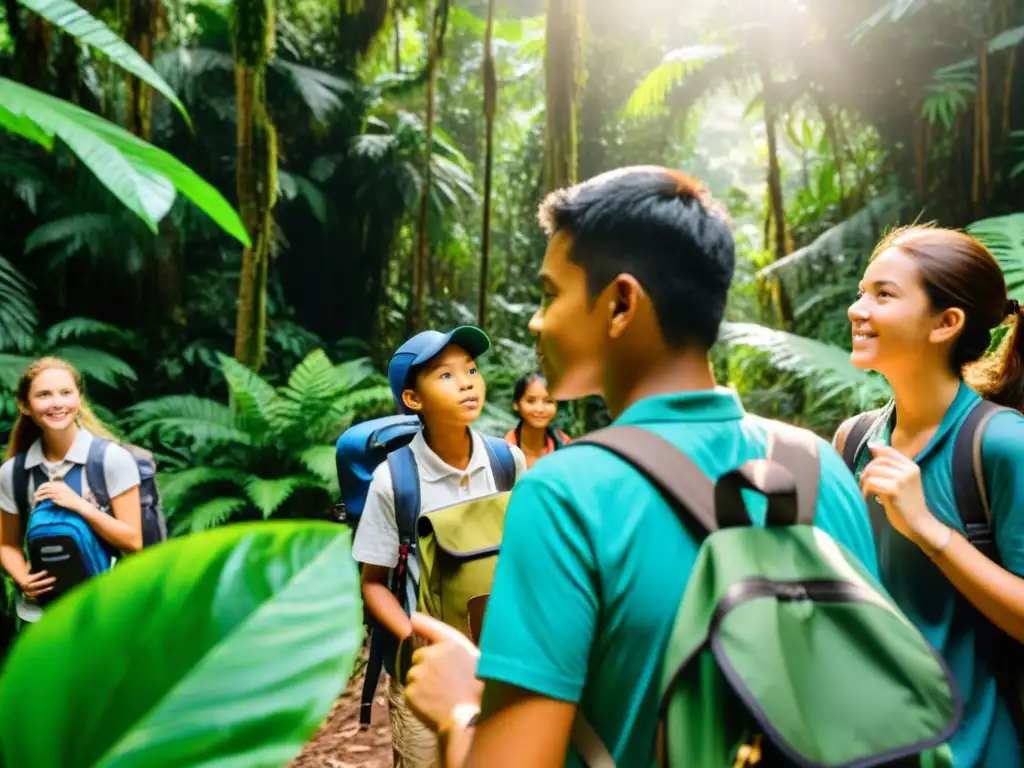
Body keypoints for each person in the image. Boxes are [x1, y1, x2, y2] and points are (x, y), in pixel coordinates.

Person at [402, 166, 880, 767]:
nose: (536, 320)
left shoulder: (565, 494)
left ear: (620, 302)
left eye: (550, 294)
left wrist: (457, 711)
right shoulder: (818, 469)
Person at [832, 226, 1024, 768]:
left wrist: (929, 530)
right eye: (861, 291)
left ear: (946, 323)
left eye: (883, 295)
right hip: (871, 749)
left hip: (977, 752)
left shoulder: (1002, 444)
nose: (857, 308)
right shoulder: (853, 441)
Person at [351, 326, 527, 768]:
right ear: (413, 399)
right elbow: (373, 583)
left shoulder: (507, 463)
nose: (467, 382)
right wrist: (418, 637)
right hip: (425, 673)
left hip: (504, 660)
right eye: (445, 375)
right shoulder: (396, 482)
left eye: (470, 369)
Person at [0, 357, 142, 624]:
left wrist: (79, 505)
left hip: (106, 611)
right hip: (40, 618)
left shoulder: (111, 459)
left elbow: (134, 541)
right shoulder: (13, 473)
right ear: (25, 405)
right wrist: (23, 578)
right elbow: (7, 544)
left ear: (79, 397)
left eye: (66, 393)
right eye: (44, 395)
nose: (57, 403)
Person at [503, 372, 571, 468]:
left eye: (549, 401)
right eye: (531, 401)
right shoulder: (502, 451)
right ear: (516, 405)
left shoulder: (565, 446)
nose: (540, 409)